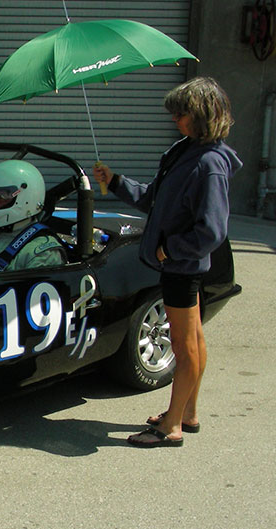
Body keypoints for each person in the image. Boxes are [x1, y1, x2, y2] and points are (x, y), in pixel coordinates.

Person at [93, 76, 242, 448]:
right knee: (193, 339)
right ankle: (187, 413)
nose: (174, 119)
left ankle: (171, 426)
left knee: (183, 344)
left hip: (182, 267)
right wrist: (115, 181)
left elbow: (212, 231)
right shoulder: (185, 150)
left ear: (201, 116)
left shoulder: (209, 163)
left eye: (181, 114)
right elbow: (154, 199)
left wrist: (170, 250)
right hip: (179, 264)